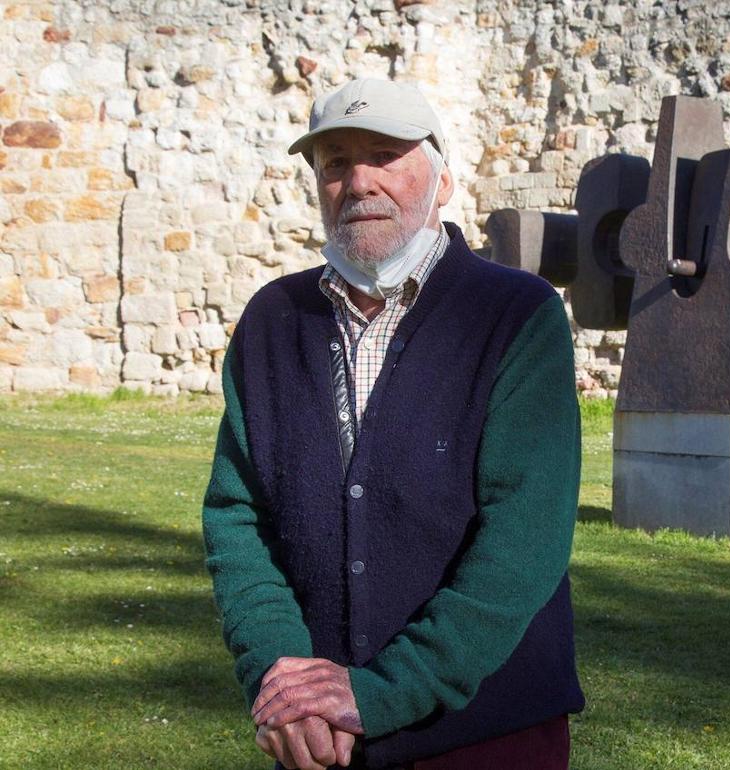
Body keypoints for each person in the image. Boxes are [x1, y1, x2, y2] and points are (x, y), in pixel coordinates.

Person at [201, 77, 584, 770]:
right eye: (336, 161)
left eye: (385, 154)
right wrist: (283, 678)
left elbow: (524, 539)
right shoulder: (272, 321)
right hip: (322, 742)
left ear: (441, 182)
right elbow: (238, 516)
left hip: (485, 732)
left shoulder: (515, 316)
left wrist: (383, 692)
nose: (359, 180)